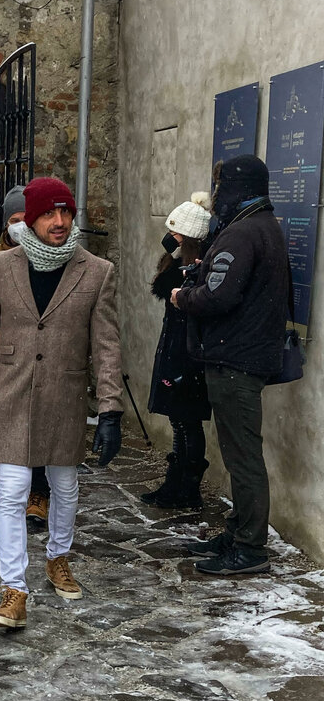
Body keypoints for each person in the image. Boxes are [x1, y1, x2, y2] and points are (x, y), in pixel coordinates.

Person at [0, 176, 124, 630]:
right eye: (50, 213)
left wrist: (109, 410)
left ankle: (57, 557)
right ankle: (13, 591)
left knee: (64, 487)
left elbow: (106, 345)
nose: (60, 221)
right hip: (12, 391)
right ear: (30, 217)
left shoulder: (96, 271)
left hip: (65, 397)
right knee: (11, 491)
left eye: (66, 212)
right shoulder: (4, 265)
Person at [172, 155, 289, 576]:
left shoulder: (243, 232)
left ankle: (251, 548)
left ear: (238, 187)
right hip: (240, 355)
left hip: (237, 359)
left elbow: (220, 297)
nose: (216, 195)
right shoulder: (260, 225)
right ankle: (239, 531)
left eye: (220, 187)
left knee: (243, 458)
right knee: (239, 452)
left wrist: (182, 296)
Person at [0, 185, 51, 529]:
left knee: (41, 427)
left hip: (44, 358)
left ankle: (40, 494)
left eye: (25, 219)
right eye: (14, 219)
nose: (20, 225)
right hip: (7, 358)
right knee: (12, 428)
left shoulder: (50, 253)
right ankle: (14, 491)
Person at [141, 192, 213, 508]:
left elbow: (174, 293)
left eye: (175, 233)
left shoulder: (201, 264)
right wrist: (173, 253)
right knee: (178, 420)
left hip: (190, 350)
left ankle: (187, 488)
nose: (169, 238)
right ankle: (175, 483)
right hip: (176, 345)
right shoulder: (183, 261)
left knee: (187, 420)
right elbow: (159, 289)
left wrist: (179, 262)